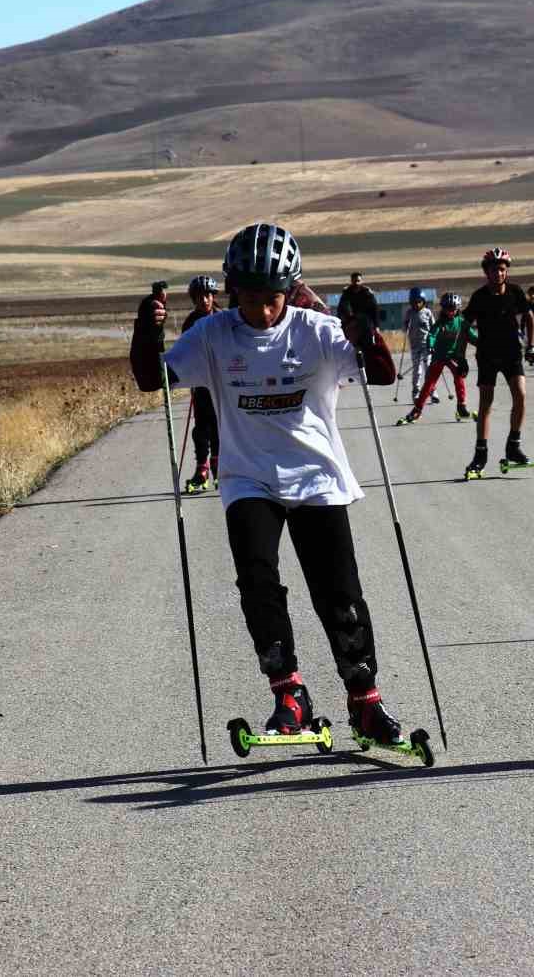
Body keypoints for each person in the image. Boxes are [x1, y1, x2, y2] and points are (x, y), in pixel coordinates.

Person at [131, 222, 413, 746]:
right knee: (258, 586)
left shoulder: (314, 330)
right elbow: (153, 379)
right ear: (233, 290)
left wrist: (366, 331)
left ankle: (365, 702)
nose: (262, 312)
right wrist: (144, 331)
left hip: (317, 477)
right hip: (248, 480)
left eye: (274, 299)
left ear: (292, 290)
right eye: (251, 299)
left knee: (341, 598)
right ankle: (289, 694)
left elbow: (380, 375)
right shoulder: (213, 335)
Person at [462, 247, 534, 477]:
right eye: (494, 270)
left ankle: (513, 445)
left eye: (502, 270)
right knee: (486, 404)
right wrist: (460, 355)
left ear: (507, 271)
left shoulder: (515, 292)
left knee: (521, 395)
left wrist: (532, 346)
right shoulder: (479, 297)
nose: (499, 274)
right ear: (487, 272)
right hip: (487, 355)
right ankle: (480, 454)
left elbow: (529, 317)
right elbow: (464, 326)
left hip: (511, 352)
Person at [396, 292, 474, 425]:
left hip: (453, 355)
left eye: (453, 309)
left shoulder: (461, 322)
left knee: (459, 376)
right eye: (448, 308)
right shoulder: (440, 323)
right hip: (439, 355)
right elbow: (432, 334)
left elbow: (472, 335)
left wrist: (483, 344)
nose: (451, 311)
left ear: (458, 309)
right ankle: (417, 410)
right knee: (429, 383)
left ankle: (461, 407)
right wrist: (431, 345)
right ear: (443, 309)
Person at [181, 275, 223, 492]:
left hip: (222, 382)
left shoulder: (223, 318)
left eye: (207, 295)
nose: (204, 300)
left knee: (219, 426)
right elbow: (185, 352)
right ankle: (202, 469)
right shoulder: (190, 323)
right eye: (199, 297)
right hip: (200, 382)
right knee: (201, 428)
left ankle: (219, 468)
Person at [402, 287, 436, 403]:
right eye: (414, 302)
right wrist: (406, 326)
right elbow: (404, 327)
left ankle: (432, 391)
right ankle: (416, 392)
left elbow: (434, 328)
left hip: (427, 345)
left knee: (429, 369)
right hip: (415, 346)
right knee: (417, 370)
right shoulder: (409, 313)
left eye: (419, 302)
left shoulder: (428, 312)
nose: (416, 304)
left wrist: (434, 341)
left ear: (423, 301)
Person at [338, 271, 379, 335]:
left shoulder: (367, 293)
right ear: (351, 281)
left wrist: (376, 326)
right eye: (354, 281)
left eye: (358, 281)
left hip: (365, 320)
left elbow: (374, 310)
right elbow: (341, 308)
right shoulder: (347, 292)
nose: (356, 283)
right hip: (351, 319)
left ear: (361, 281)